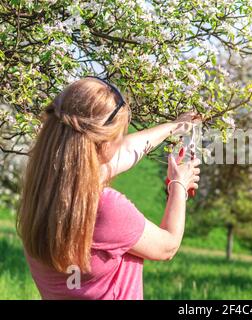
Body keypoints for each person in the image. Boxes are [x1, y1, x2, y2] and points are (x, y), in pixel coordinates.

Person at [16, 76, 201, 299]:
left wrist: (174, 127)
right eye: (118, 135)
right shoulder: (105, 208)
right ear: (103, 144)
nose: (122, 141)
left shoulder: (41, 190)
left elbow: (120, 154)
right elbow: (167, 247)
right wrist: (179, 185)